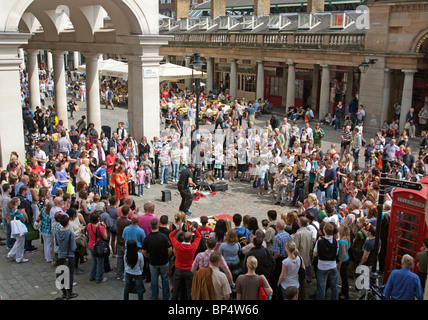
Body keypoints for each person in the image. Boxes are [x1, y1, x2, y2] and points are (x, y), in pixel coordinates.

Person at [142, 218, 172, 300]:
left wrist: (148, 256)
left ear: (150, 226)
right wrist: (168, 256)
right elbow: (170, 249)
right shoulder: (164, 237)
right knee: (165, 280)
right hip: (164, 262)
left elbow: (143, 251)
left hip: (153, 262)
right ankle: (166, 297)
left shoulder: (147, 238)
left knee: (154, 280)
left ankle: (154, 297)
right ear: (158, 226)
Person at [169, 226, 201, 300]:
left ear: (183, 238)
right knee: (189, 290)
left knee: (176, 289)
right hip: (189, 270)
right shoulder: (193, 247)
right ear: (191, 239)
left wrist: (177, 229)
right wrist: (194, 230)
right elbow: (198, 237)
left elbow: (171, 235)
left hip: (178, 270)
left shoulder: (178, 246)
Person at [313, 222, 339, 300]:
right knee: (334, 285)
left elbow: (315, 254)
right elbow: (336, 253)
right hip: (333, 265)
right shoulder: (335, 241)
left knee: (321, 286)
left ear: (324, 230)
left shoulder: (319, 242)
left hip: (322, 266)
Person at [55, 214, 78, 299]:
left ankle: (63, 292)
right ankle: (69, 292)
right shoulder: (70, 233)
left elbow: (57, 243)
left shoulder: (57, 232)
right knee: (70, 275)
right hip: (69, 256)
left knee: (61, 275)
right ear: (68, 222)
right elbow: (73, 247)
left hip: (60, 255)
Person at [86, 211, 108, 283]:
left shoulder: (89, 225)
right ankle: (99, 278)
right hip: (98, 246)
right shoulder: (100, 228)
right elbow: (105, 237)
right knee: (100, 262)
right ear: (98, 219)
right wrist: (104, 228)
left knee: (94, 261)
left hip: (91, 245)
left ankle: (92, 276)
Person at [338, 223, 351, 300]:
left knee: (344, 278)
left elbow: (343, 253)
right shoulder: (347, 238)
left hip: (343, 260)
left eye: (340, 227)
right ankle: (343, 291)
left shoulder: (342, 241)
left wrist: (340, 263)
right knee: (344, 278)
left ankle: (345, 294)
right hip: (347, 259)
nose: (339, 228)